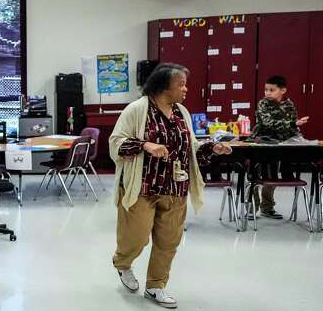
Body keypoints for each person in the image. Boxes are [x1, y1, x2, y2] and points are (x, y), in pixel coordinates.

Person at [109, 63, 233, 309]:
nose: (186, 89)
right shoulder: (137, 109)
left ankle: (156, 286)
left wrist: (212, 148)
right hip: (143, 188)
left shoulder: (182, 112)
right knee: (136, 239)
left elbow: (191, 147)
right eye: (181, 84)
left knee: (168, 242)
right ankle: (123, 263)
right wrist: (145, 145)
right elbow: (116, 144)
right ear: (164, 85)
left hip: (176, 187)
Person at [251, 75, 310, 219]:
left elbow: (293, 128)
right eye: (266, 90)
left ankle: (267, 207)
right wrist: (293, 124)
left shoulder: (289, 105)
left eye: (272, 90)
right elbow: (267, 123)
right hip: (263, 143)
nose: (267, 93)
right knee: (255, 176)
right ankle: (251, 208)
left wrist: (299, 138)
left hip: (282, 145)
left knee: (272, 177)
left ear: (283, 90)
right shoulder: (263, 104)